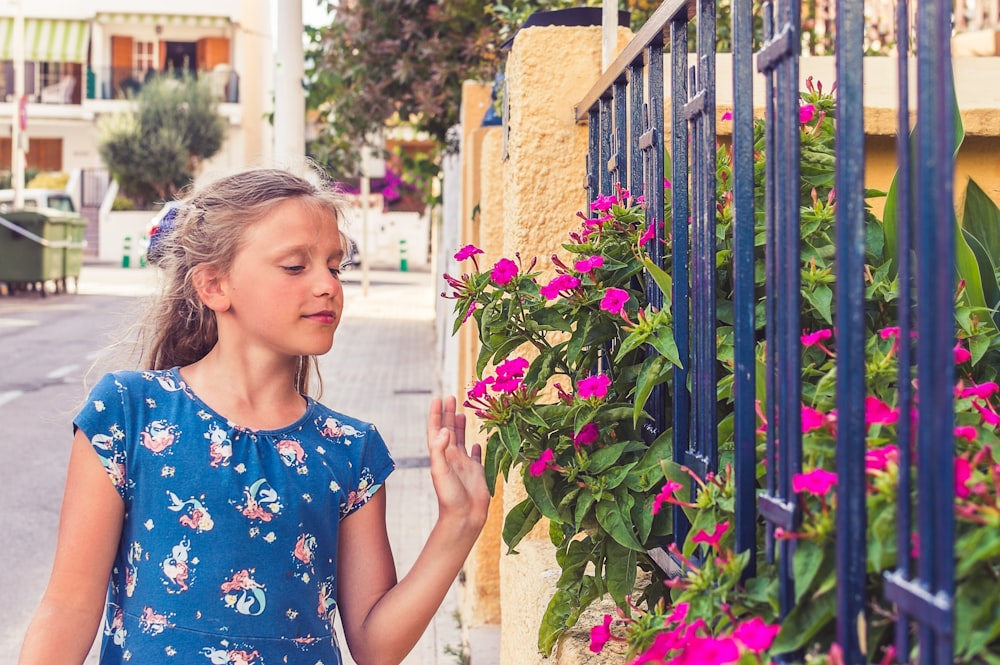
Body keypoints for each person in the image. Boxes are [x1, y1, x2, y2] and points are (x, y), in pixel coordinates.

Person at [18, 167, 490, 665]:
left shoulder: (351, 450)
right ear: (215, 286)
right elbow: (68, 608)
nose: (327, 285)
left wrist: (458, 523)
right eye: (294, 266)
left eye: (335, 266)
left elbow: (376, 647)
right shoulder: (129, 414)